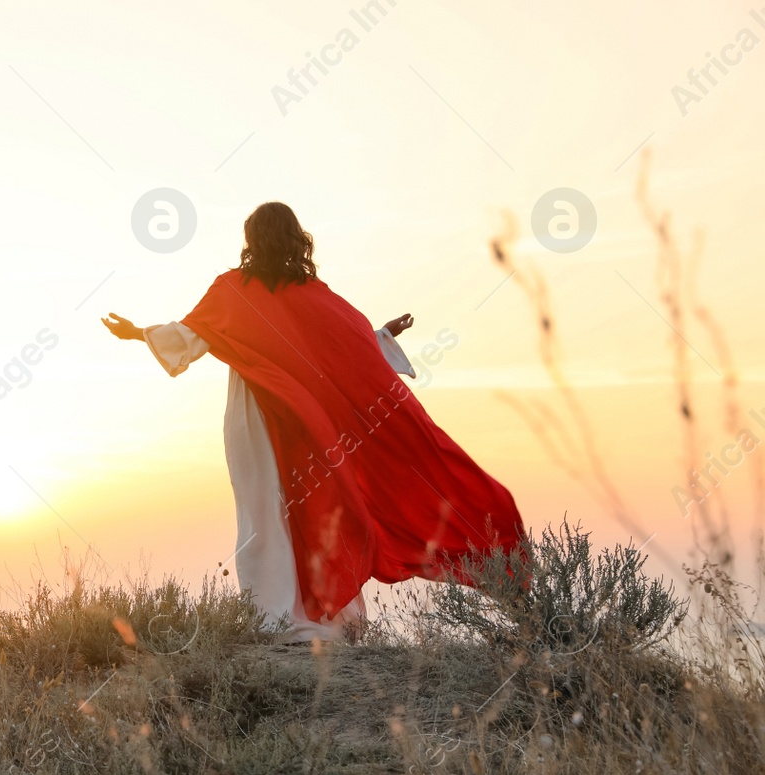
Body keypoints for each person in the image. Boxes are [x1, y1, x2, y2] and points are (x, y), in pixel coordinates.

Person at [104, 201, 524, 642]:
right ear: (293, 238)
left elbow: (193, 338)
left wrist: (137, 333)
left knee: (267, 509)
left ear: (252, 241)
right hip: (298, 424)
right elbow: (346, 351)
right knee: (312, 505)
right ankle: (313, 620)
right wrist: (382, 336)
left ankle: (278, 619)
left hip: (258, 420)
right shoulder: (303, 291)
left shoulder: (237, 289)